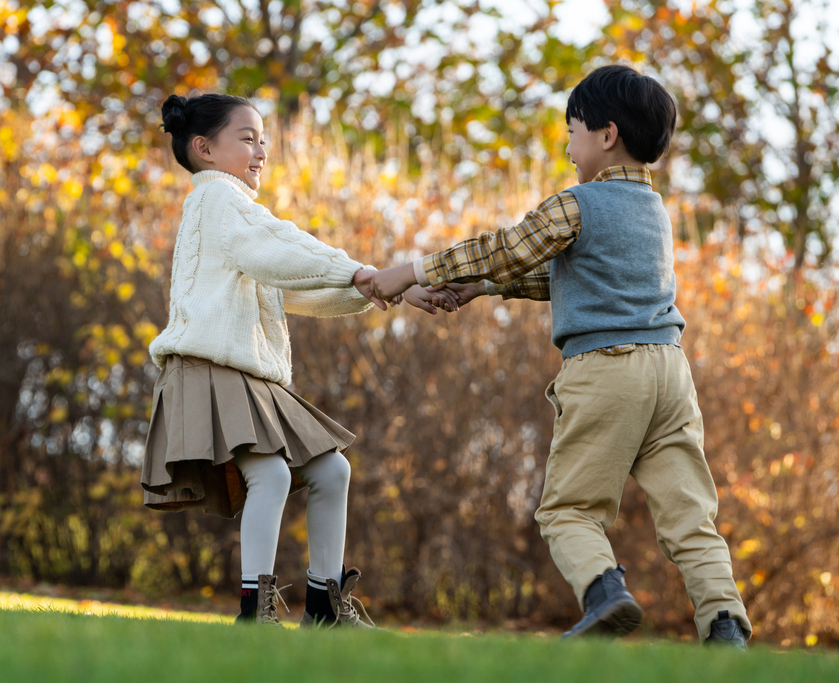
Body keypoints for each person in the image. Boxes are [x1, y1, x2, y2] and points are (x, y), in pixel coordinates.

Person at [365, 65, 751, 648]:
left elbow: (506, 247)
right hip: (670, 374)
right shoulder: (654, 212)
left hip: (607, 371)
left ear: (606, 135)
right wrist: (484, 288)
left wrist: (409, 271)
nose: (568, 148)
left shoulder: (579, 204)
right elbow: (573, 277)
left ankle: (604, 593)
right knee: (689, 517)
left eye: (572, 131)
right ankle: (725, 625)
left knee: (569, 510)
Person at [142, 92, 455, 628]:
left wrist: (377, 286)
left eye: (264, 139)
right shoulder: (217, 200)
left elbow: (296, 283)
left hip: (246, 376)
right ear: (204, 148)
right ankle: (254, 610)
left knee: (332, 470)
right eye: (247, 138)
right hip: (210, 369)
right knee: (271, 475)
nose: (261, 150)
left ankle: (323, 607)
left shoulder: (237, 210)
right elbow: (278, 251)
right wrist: (363, 274)